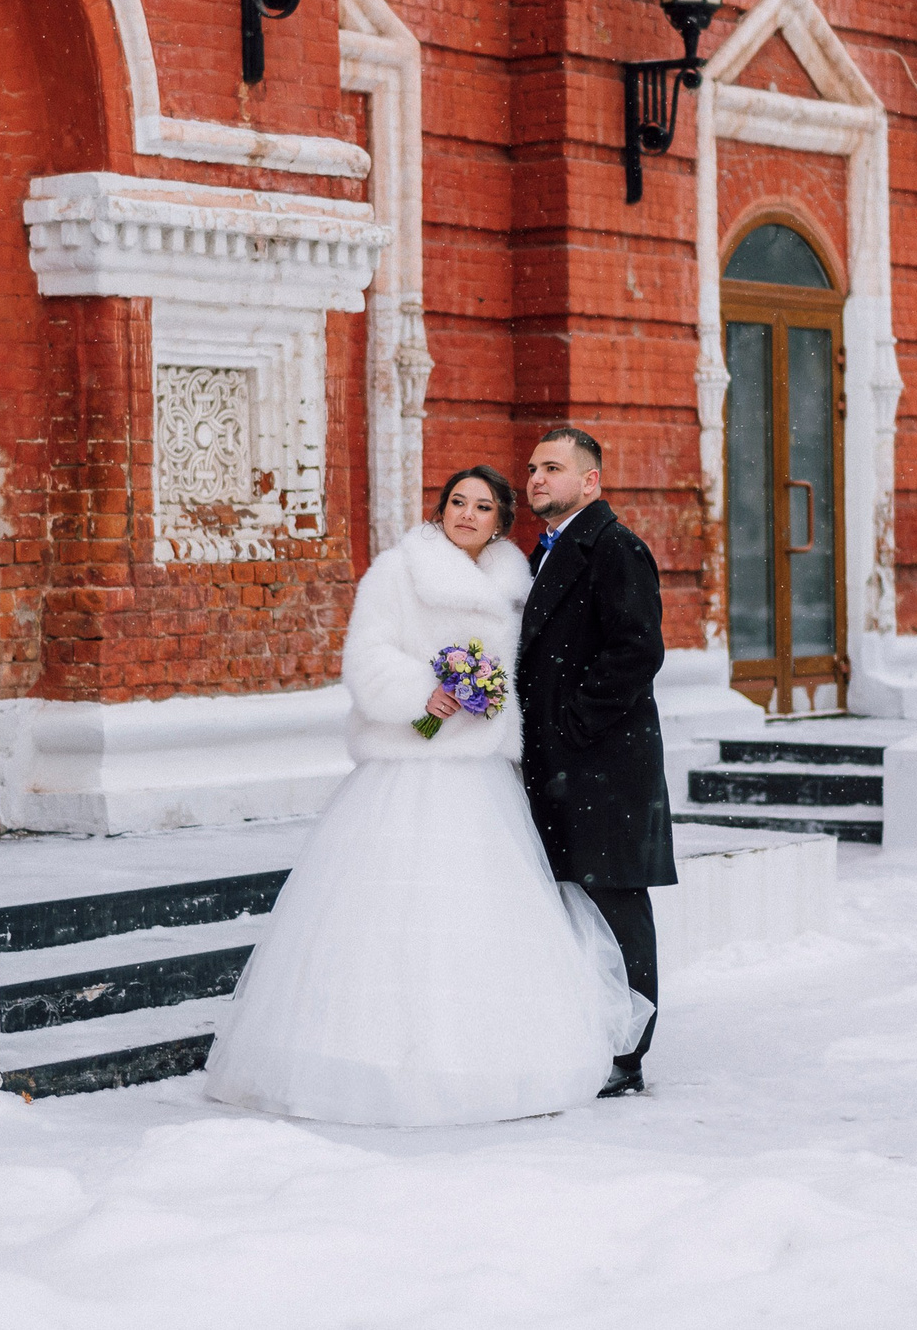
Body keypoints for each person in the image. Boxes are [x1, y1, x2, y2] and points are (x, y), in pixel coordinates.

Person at [203, 465, 648, 1127]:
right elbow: (366, 656)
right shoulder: (398, 571)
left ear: (501, 522)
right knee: (387, 915)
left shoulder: (518, 585)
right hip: (409, 770)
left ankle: (487, 1059)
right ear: (440, 511)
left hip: (483, 778)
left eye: (484, 506)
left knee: (480, 919)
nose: (467, 514)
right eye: (457, 502)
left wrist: (493, 698)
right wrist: (425, 692)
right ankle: (368, 1061)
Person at [516, 427, 674, 1097]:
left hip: (603, 764)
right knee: (575, 901)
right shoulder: (544, 551)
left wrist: (572, 724)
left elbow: (638, 651)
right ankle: (592, 1031)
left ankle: (628, 1052)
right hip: (562, 763)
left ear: (590, 481)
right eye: (532, 468)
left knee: (614, 901)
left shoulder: (614, 547)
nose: (536, 478)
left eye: (553, 467)